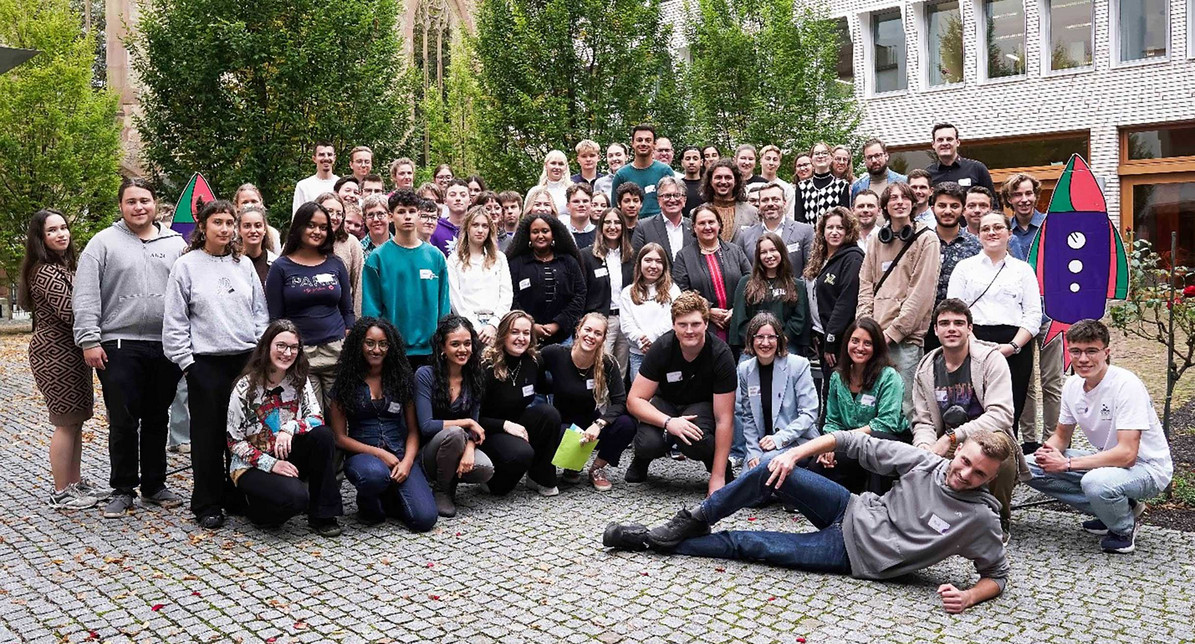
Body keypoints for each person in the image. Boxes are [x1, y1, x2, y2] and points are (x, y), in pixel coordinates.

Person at [602, 428, 1014, 615]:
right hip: (851, 508)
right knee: (771, 467)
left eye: (979, 473)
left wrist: (970, 596)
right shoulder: (927, 463)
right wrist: (794, 454)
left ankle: (650, 540)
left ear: (990, 478)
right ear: (958, 452)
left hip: (855, 555)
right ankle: (693, 517)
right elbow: (854, 442)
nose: (964, 474)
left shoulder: (979, 519)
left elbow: (997, 573)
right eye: (965, 461)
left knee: (750, 544)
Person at [75, 177, 187, 518]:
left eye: (145, 201)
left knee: (157, 417)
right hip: (118, 344)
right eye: (131, 201)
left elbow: (187, 292)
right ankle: (123, 487)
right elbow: (86, 294)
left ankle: (154, 484)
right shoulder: (102, 243)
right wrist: (89, 339)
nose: (139, 207)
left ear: (155, 204)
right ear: (121, 206)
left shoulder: (176, 244)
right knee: (123, 419)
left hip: (164, 344)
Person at [1025, 320, 1174, 553]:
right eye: (1076, 351)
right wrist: (1047, 452)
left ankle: (1123, 529)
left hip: (1148, 470)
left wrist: (1066, 464)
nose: (1083, 359)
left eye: (1091, 351)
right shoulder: (1072, 385)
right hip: (1109, 464)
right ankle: (1116, 509)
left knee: (1094, 483)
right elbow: (1061, 437)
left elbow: (1127, 455)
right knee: (1027, 466)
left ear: (1106, 352)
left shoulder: (1126, 385)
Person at [163, 199, 268, 529]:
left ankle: (236, 492)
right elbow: (176, 319)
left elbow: (259, 312)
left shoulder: (243, 265)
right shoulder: (187, 265)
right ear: (203, 227)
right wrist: (187, 363)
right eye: (218, 222)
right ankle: (207, 501)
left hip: (244, 361)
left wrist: (258, 354)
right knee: (207, 436)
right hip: (205, 363)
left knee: (241, 432)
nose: (225, 229)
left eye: (229, 222)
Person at [911, 299, 1027, 539]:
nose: (951, 328)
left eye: (958, 323)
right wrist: (924, 447)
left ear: (970, 328)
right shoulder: (926, 368)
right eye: (944, 323)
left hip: (987, 435)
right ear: (935, 330)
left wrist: (952, 436)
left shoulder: (990, 360)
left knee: (1000, 458)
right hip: (947, 440)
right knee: (915, 460)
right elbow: (923, 420)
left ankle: (999, 519)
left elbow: (1002, 414)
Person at [227, 320, 343, 536]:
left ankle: (323, 515)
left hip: (286, 451)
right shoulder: (245, 387)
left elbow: (317, 418)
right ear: (267, 346)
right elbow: (234, 441)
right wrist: (271, 464)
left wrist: (290, 427)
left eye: (293, 347)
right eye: (281, 345)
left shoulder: (300, 380)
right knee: (295, 499)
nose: (287, 352)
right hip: (252, 464)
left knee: (323, 436)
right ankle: (255, 508)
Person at [19, 209, 98, 509]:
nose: (61, 234)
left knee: (76, 422)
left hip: (71, 354)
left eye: (64, 228)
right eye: (52, 230)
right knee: (65, 423)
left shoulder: (64, 266)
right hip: (55, 355)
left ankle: (74, 484)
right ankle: (61, 491)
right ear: (40, 238)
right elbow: (72, 312)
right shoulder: (45, 271)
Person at [329, 317, 437, 532]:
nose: (376, 350)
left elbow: (414, 431)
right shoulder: (345, 381)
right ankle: (368, 506)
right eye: (369, 343)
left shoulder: (400, 379)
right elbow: (338, 437)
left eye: (383, 344)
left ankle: (389, 497)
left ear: (391, 346)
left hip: (399, 454)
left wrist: (406, 462)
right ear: (359, 343)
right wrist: (379, 453)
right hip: (363, 457)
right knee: (374, 476)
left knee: (424, 519)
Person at [624, 291, 737, 494]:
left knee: (696, 441)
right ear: (674, 326)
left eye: (695, 324)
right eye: (682, 325)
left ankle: (716, 465)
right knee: (648, 443)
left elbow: (725, 419)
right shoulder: (662, 347)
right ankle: (641, 459)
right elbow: (634, 400)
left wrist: (718, 476)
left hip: (700, 408)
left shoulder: (721, 354)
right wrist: (669, 422)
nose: (689, 331)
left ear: (705, 323)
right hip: (665, 403)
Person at [947, 212, 1042, 434]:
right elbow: (954, 310)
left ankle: (1009, 461)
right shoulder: (964, 268)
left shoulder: (1023, 270)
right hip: (972, 344)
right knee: (973, 410)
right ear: (978, 235)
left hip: (1014, 346)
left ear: (1009, 234)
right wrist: (974, 345)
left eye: (998, 227)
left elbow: (1033, 314)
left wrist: (1013, 347)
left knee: (1011, 409)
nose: (992, 232)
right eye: (986, 228)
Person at [856, 183, 940, 417]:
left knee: (903, 407)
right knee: (870, 402)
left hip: (904, 341)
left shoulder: (927, 239)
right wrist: (865, 327)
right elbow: (866, 284)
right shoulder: (876, 240)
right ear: (885, 206)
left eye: (905, 197)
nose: (899, 201)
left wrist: (892, 334)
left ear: (913, 204)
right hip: (874, 338)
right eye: (893, 198)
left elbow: (920, 294)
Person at [265, 201, 355, 407]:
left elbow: (346, 309)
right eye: (311, 225)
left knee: (342, 415)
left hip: (337, 350)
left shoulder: (335, 263)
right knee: (313, 417)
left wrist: (348, 335)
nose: (318, 232)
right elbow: (276, 318)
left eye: (323, 228)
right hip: (301, 354)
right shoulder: (281, 267)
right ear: (299, 226)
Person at [536, 313, 638, 491]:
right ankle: (572, 466)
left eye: (598, 333)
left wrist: (599, 424)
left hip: (592, 423)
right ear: (578, 331)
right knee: (556, 430)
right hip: (563, 424)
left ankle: (596, 469)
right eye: (588, 330)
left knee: (627, 424)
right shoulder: (555, 353)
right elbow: (533, 370)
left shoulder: (608, 363)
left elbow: (620, 401)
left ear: (603, 339)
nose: (591, 336)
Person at [815, 317, 910, 493]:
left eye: (867, 343)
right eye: (855, 341)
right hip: (849, 443)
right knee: (818, 463)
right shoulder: (837, 377)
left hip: (884, 441)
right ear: (847, 343)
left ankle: (876, 510)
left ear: (876, 348)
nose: (860, 347)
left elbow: (886, 423)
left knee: (877, 450)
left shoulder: (889, 376)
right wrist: (829, 446)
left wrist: (842, 440)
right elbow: (832, 420)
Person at [413, 315, 495, 518]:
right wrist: (465, 422)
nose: (463, 350)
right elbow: (426, 426)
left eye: (467, 344)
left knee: (485, 468)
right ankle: (442, 489)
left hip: (459, 442)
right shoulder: (425, 375)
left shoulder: (475, 376)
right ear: (442, 347)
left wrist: (469, 449)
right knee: (456, 433)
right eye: (455, 344)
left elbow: (475, 428)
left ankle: (450, 480)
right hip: (428, 451)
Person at [362, 190, 452, 368]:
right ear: (390, 216)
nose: (407, 217)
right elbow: (371, 310)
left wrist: (442, 340)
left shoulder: (436, 257)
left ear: (419, 214)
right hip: (393, 349)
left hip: (430, 350)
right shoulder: (377, 258)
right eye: (401, 212)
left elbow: (444, 306)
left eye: (412, 211)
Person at [477, 311, 564, 495]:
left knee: (549, 414)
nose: (521, 338)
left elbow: (544, 386)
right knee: (521, 454)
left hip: (517, 423)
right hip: (488, 430)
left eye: (526, 333)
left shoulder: (533, 361)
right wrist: (505, 425)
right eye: (515, 332)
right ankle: (493, 481)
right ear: (503, 334)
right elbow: (472, 418)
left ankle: (539, 477)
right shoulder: (486, 366)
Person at [1002, 172, 1059, 452]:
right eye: (1017, 195)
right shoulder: (1004, 231)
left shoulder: (1052, 226)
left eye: (1028, 194)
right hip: (1018, 319)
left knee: (1051, 382)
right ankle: (1029, 440)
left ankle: (1053, 441)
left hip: (1050, 316)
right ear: (1009, 199)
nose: (1024, 199)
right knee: (1024, 382)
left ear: (1036, 195)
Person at [736, 312, 819, 469]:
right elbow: (748, 417)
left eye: (771, 337)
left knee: (765, 464)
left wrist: (779, 439)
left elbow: (809, 414)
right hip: (762, 446)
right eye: (759, 337)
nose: (765, 343)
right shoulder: (744, 370)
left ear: (779, 339)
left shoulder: (799, 365)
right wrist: (753, 452)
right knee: (748, 474)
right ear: (751, 339)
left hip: (797, 443)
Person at [673, 206, 752, 344]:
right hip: (703, 326)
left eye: (711, 222)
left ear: (719, 224)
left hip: (738, 322)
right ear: (694, 227)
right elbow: (681, 290)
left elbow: (750, 281)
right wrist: (707, 310)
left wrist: (736, 309)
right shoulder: (683, 256)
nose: (707, 227)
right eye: (702, 223)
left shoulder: (735, 251)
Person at [505, 213, 587, 346]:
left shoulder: (568, 261)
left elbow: (580, 294)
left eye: (545, 231)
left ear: (553, 234)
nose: (540, 236)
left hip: (563, 337)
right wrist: (531, 325)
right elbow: (510, 297)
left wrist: (558, 324)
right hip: (525, 337)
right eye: (535, 232)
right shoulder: (516, 264)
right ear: (528, 236)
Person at [805, 207, 864, 388]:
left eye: (840, 227)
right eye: (830, 227)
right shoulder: (820, 257)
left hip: (840, 340)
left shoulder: (853, 258)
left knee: (836, 390)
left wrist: (831, 339)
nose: (835, 232)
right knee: (826, 390)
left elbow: (845, 303)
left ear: (849, 231)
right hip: (820, 336)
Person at [729, 233, 807, 355]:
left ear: (781, 252)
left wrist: (780, 339)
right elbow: (740, 318)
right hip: (753, 344)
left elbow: (799, 319)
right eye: (763, 252)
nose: (769, 256)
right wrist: (758, 340)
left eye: (773, 250)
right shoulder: (746, 282)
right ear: (758, 256)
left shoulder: (797, 285)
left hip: (786, 344)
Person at [447, 205, 513, 347]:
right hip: (466, 327)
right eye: (475, 225)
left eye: (485, 226)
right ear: (467, 228)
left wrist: (493, 324)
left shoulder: (499, 258)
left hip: (496, 326)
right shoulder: (454, 259)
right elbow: (455, 298)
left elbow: (506, 294)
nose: (480, 230)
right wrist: (475, 327)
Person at [581, 208, 635, 377]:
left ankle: (617, 403)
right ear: (601, 226)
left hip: (626, 320)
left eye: (617, 222)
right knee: (600, 369)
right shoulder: (587, 256)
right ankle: (600, 404)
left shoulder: (632, 256)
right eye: (608, 222)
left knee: (621, 371)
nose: (613, 226)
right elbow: (582, 291)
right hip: (602, 320)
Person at [927, 182, 980, 351]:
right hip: (926, 326)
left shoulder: (977, 245)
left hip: (964, 326)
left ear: (963, 210)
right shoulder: (922, 241)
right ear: (932, 207)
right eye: (942, 205)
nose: (948, 211)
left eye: (954, 206)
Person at [620, 243, 682, 380]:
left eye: (659, 261)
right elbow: (626, 324)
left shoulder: (673, 290)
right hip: (638, 355)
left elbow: (672, 319)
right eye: (648, 260)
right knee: (640, 397)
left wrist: (651, 338)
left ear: (664, 266)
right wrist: (641, 341)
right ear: (639, 263)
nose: (653, 266)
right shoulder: (627, 293)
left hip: (667, 353)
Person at [735, 182, 814, 277]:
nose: (770, 204)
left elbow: (811, 269)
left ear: (784, 203)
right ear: (759, 205)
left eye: (775, 199)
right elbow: (740, 271)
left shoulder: (805, 231)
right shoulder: (745, 236)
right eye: (765, 200)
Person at [610, 124, 676, 219]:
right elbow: (615, 209)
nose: (643, 143)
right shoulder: (621, 175)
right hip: (631, 229)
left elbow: (673, 204)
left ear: (654, 144)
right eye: (639, 140)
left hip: (660, 227)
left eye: (648, 140)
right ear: (632, 143)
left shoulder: (665, 171)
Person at [315, 193, 364, 316]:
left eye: (339, 213)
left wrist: (357, 324)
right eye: (329, 211)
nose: (334, 217)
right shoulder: (301, 241)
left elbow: (359, 286)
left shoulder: (350, 243)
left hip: (341, 319)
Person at [631, 176, 691, 260]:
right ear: (659, 200)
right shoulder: (643, 228)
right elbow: (635, 263)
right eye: (667, 195)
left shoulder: (694, 227)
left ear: (684, 200)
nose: (672, 200)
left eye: (677, 195)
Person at [926, 122, 996, 193]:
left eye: (949, 139)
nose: (945, 143)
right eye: (940, 140)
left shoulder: (977, 169)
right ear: (933, 144)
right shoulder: (928, 174)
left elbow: (992, 202)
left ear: (958, 142)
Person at [700, 159, 758, 242]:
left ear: (736, 181)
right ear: (710, 181)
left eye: (728, 177)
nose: (723, 182)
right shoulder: (698, 212)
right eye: (718, 177)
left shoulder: (752, 213)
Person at [793, 142, 851, 226]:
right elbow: (799, 218)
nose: (820, 156)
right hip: (808, 237)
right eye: (817, 154)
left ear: (831, 158)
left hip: (832, 236)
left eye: (824, 153)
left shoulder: (841, 185)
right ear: (811, 159)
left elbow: (844, 218)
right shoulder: (802, 187)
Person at [292, 141, 338, 215]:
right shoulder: (303, 186)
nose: (326, 158)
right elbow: (297, 217)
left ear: (334, 158)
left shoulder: (341, 184)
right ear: (314, 158)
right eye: (321, 155)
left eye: (329, 154)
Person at [430, 178, 472, 256]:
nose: (458, 199)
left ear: (470, 200)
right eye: (452, 195)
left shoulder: (478, 227)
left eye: (463, 195)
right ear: (445, 201)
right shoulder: (434, 229)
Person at [528, 150, 571, 215]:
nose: (557, 167)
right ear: (546, 165)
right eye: (553, 163)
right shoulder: (535, 191)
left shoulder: (572, 190)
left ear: (565, 167)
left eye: (561, 164)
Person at [758, 145, 795, 218]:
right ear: (761, 161)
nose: (771, 163)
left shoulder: (787, 189)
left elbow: (790, 215)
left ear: (779, 164)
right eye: (768, 159)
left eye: (775, 159)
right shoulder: (752, 185)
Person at [563, 183, 596, 249]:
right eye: (576, 201)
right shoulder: (561, 234)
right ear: (568, 206)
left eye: (585, 201)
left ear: (591, 205)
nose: (581, 205)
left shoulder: (600, 234)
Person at [360, 194, 392, 260]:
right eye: (370, 215)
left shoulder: (401, 247)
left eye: (380, 214)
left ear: (390, 216)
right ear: (365, 220)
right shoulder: (358, 249)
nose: (376, 219)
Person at [679, 145, 705, 218]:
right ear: (682, 162)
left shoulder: (708, 185)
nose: (691, 162)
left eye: (695, 158)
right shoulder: (677, 186)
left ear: (701, 162)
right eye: (687, 158)